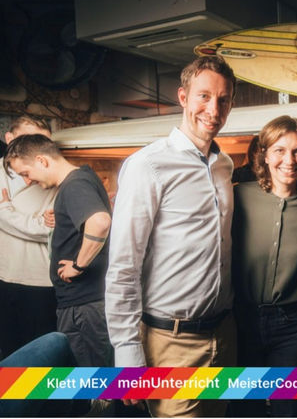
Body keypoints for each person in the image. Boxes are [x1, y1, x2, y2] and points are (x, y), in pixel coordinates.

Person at [105, 55, 236, 418]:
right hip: (169, 344)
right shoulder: (147, 166)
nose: (214, 109)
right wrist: (127, 352)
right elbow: (123, 266)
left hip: (224, 336)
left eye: (223, 99)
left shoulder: (225, 166)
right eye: (204, 96)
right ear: (182, 97)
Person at [231, 116, 297, 417]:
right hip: (241, 321)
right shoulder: (237, 196)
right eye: (280, 150)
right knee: (245, 409)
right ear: (265, 155)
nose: (289, 160)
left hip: (293, 325)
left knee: (289, 408)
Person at [3, 134, 113, 368]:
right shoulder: (82, 178)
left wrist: (79, 265)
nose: (28, 181)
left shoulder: (75, 185)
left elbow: (100, 222)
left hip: (83, 305)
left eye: (26, 173)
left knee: (92, 379)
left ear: (42, 161)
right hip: (84, 303)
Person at [0, 115, 57, 359]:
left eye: (42, 142)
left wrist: (5, 211)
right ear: (9, 138)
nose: (36, 149)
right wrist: (35, 220)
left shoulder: (54, 178)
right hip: (4, 276)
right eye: (28, 139)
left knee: (43, 354)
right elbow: (39, 225)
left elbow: (52, 229)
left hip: (40, 280)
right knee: (10, 353)